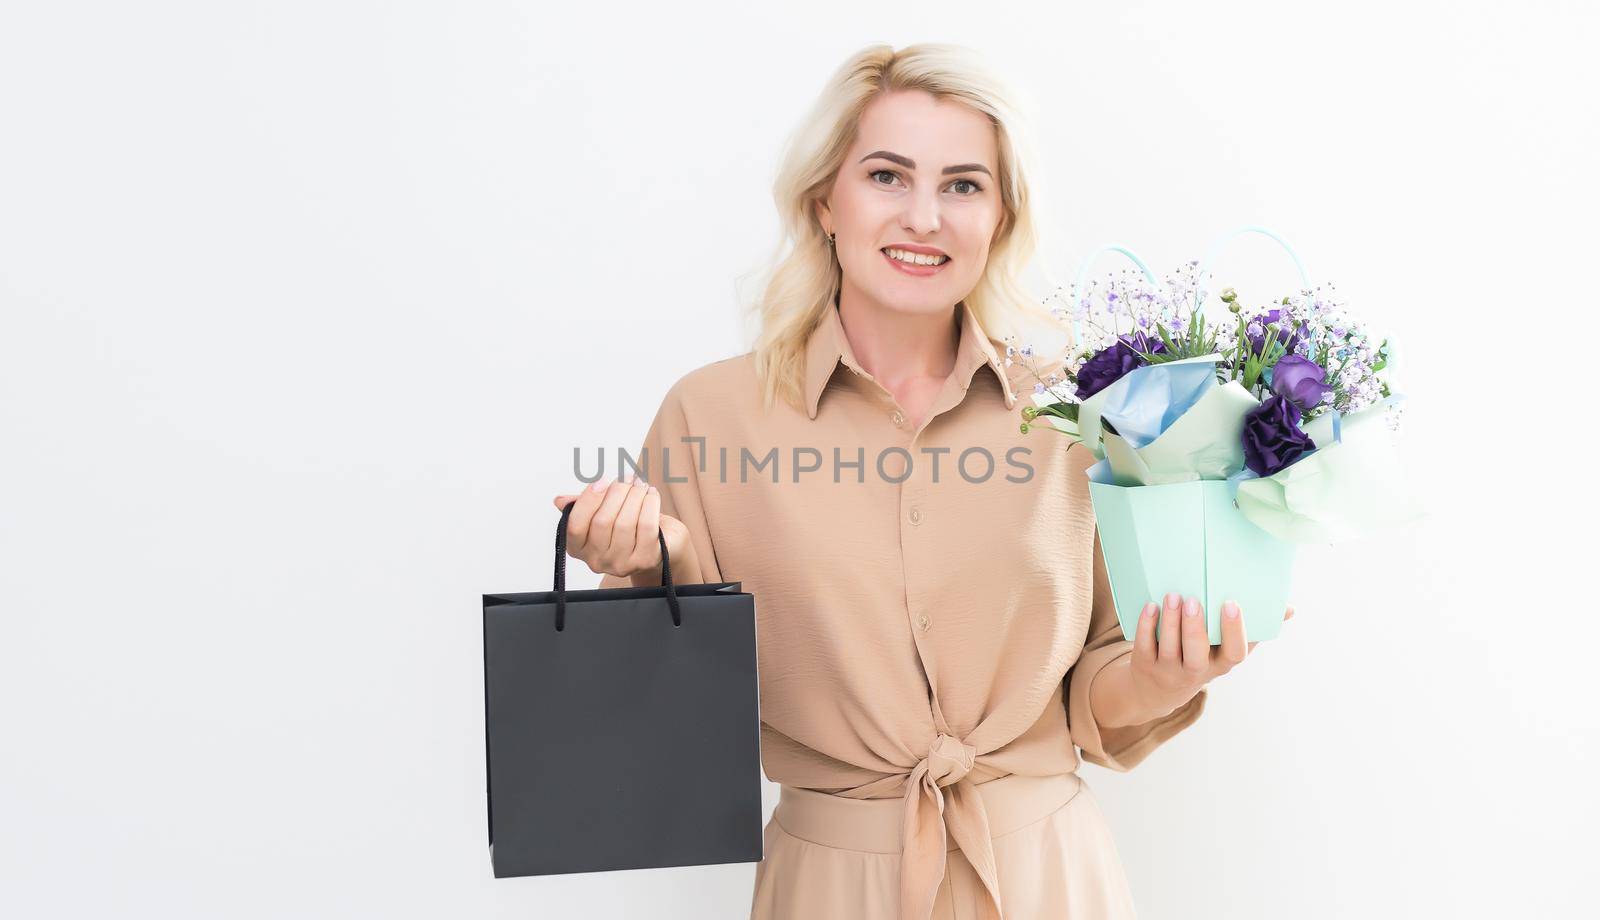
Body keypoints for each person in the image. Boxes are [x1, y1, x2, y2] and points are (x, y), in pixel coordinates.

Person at [553, 42, 1292, 920]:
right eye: (887, 176)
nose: (925, 217)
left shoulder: (1077, 409)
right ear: (825, 201)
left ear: (1001, 217)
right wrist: (648, 566)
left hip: (1046, 878)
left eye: (963, 185)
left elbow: (1094, 686)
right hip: (830, 887)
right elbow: (666, 715)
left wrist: (1166, 678)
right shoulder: (711, 414)